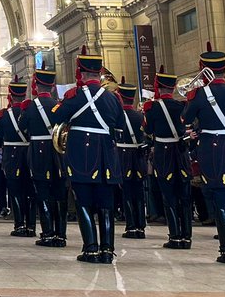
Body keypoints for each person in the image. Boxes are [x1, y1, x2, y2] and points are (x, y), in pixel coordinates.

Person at [49, 49, 124, 264]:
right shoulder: (113, 98)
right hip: (106, 155)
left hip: (82, 154)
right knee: (106, 204)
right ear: (99, 72)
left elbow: (56, 115)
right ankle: (108, 250)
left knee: (83, 201)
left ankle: (90, 248)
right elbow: (120, 125)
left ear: (80, 74)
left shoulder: (74, 96)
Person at [182, 43, 225, 265]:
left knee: (220, 198)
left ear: (203, 68)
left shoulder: (200, 94)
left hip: (214, 149)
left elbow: (185, 118)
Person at [143, 66, 193, 249]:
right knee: (185, 195)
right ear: (172, 89)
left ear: (158, 87)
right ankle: (187, 237)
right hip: (181, 151)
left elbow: (147, 131)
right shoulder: (181, 105)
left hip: (164, 152)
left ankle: (175, 236)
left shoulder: (152, 107)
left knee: (169, 195)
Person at [22, 65, 67, 248]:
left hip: (39, 151)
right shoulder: (59, 106)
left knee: (43, 192)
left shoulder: (31, 107)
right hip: (57, 152)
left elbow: (23, 126)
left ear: (36, 86)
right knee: (59, 193)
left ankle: (47, 233)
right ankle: (61, 234)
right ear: (53, 86)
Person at [0, 80, 35, 237]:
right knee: (30, 191)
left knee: (15, 190)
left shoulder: (4, 115)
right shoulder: (30, 111)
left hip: (12, 154)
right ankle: (31, 226)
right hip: (29, 153)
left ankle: (19, 225)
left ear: (10, 96)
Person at [116, 80, 148, 240]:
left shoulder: (117, 116)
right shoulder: (140, 116)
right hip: (139, 156)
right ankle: (141, 226)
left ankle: (131, 226)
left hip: (123, 156)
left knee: (127, 192)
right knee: (139, 192)